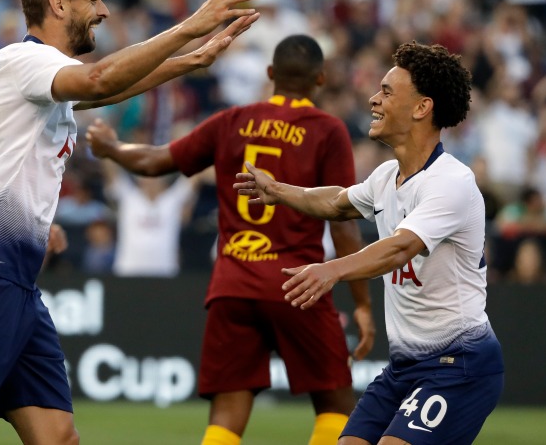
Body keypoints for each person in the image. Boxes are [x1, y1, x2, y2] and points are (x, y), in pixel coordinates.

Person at [0, 0, 260, 445]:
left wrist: (190, 61)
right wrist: (192, 25)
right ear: (57, 4)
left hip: (17, 285)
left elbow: (103, 93)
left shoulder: (40, 75)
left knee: (58, 437)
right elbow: (101, 79)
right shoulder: (25, 60)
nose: (104, 10)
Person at [86, 34, 376, 445]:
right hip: (298, 285)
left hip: (233, 285)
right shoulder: (328, 131)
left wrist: (113, 147)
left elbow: (154, 161)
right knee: (336, 406)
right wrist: (362, 303)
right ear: (321, 79)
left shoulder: (232, 121)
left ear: (271, 74)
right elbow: (344, 223)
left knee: (226, 415)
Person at [234, 41, 504, 445]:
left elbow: (399, 247)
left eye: (387, 92)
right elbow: (336, 202)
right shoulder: (386, 177)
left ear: (421, 108)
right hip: (404, 366)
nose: (374, 99)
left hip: (458, 365)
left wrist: (332, 269)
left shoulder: (451, 182)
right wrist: (279, 191)